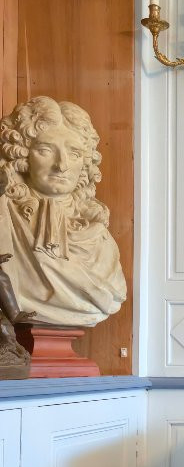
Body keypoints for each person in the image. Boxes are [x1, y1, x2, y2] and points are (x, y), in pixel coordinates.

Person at [0, 96, 126, 327]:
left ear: (86, 163)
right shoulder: (4, 218)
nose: (62, 165)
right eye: (46, 150)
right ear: (22, 155)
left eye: (75, 154)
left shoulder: (98, 237)